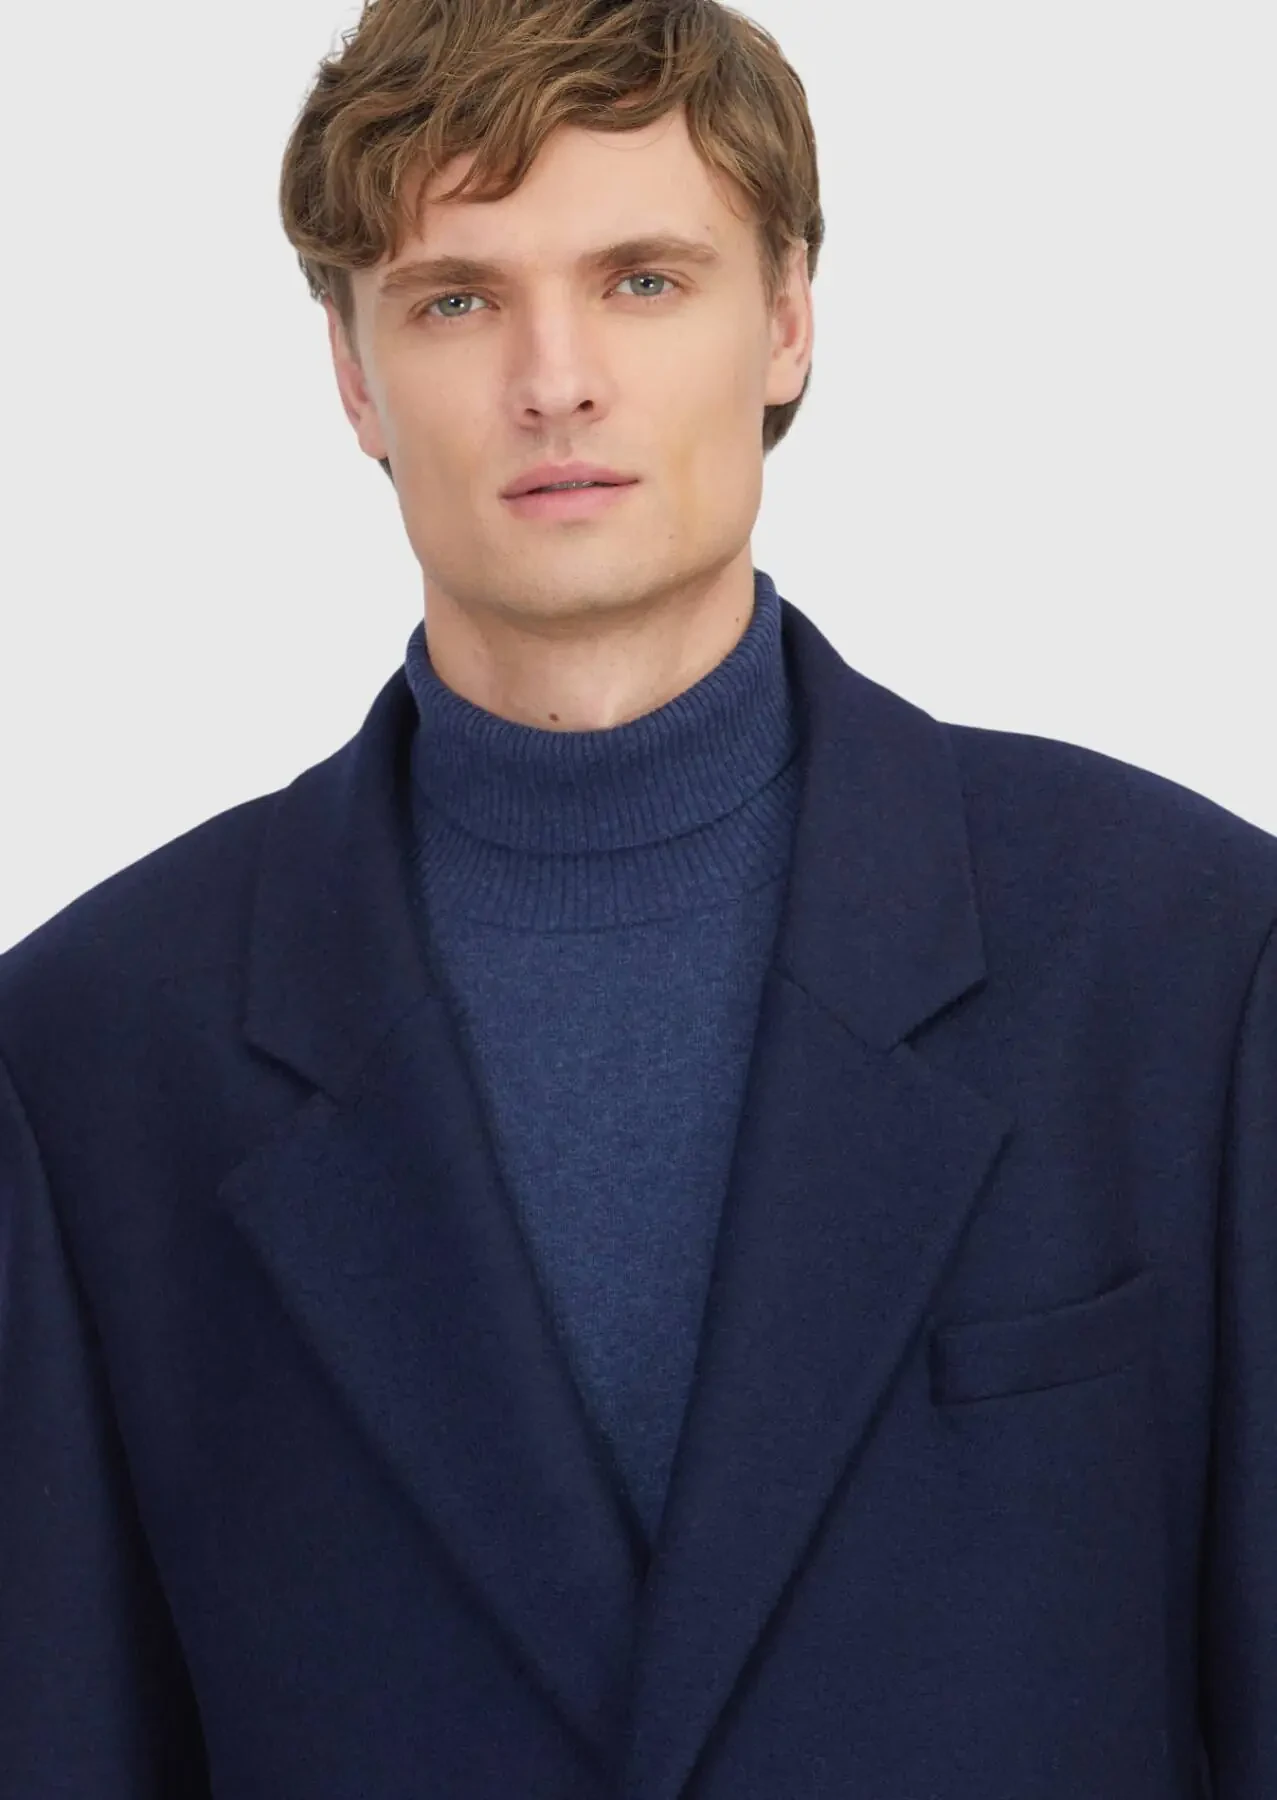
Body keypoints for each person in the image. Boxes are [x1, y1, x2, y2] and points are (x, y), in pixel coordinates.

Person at [0, 0, 1273, 1794]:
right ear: (354, 376)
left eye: (644, 281)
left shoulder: (1187, 954)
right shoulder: (90, 1052)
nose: (556, 379)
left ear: (789, 315)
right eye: (458, 300)